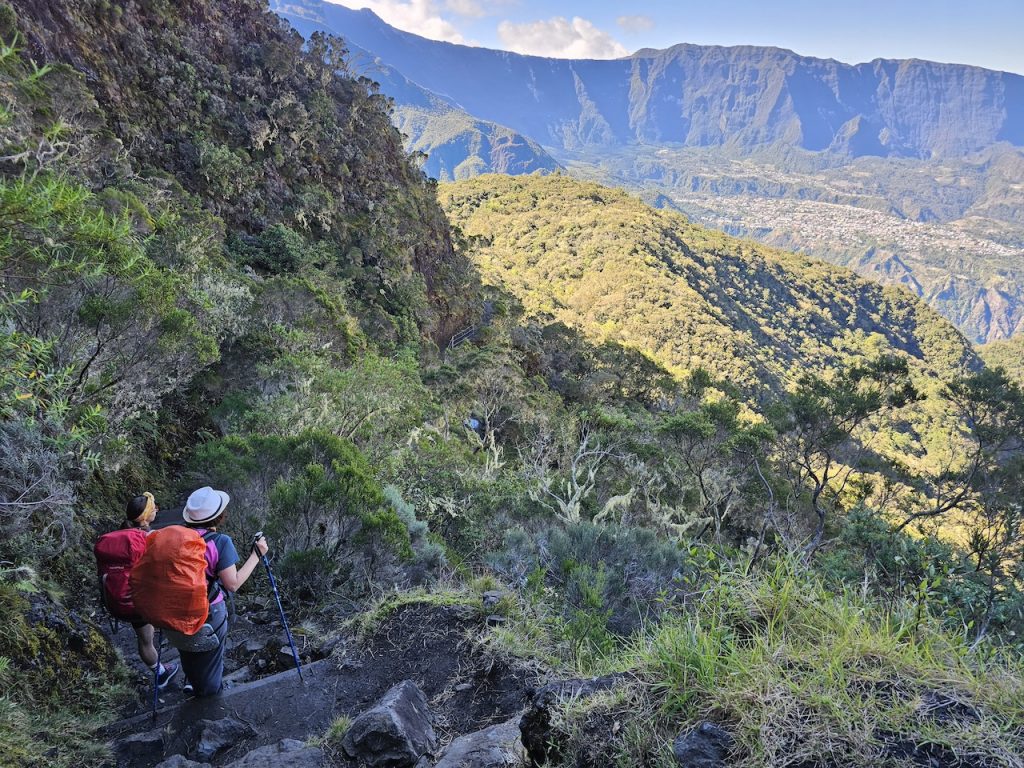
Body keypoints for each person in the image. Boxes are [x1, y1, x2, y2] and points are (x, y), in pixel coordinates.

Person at [174, 485, 268, 696]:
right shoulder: (220, 542)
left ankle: (192, 680)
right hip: (207, 612)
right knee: (211, 662)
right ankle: (209, 699)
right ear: (219, 517)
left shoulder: (175, 537)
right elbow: (232, 584)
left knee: (186, 649)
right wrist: (256, 555)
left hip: (173, 609)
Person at [123, 493, 179, 689]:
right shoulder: (149, 538)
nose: (157, 509)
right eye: (153, 508)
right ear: (145, 517)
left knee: (144, 637)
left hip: (125, 595)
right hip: (144, 598)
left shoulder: (122, 536)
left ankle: (159, 669)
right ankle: (161, 675)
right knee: (148, 640)